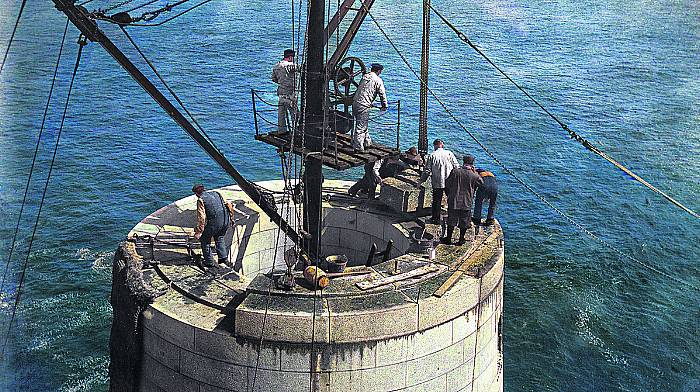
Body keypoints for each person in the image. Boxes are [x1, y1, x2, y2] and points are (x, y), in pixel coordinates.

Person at [442, 155, 483, 245]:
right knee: (464, 221)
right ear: (472, 164)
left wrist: (449, 195)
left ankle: (448, 239)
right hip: (466, 202)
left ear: (463, 162)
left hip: (454, 200)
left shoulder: (456, 172)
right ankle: (461, 239)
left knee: (451, 220)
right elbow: (481, 183)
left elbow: (447, 183)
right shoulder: (474, 175)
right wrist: (475, 171)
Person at [192, 184, 236, 268]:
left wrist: (199, 231)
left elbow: (201, 217)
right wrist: (232, 218)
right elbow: (229, 205)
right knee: (219, 237)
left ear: (196, 193)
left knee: (204, 240)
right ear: (204, 189)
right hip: (225, 220)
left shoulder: (200, 200)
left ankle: (209, 262)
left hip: (215, 223)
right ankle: (223, 258)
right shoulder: (216, 193)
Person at [418, 139, 459, 224]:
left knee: (437, 201)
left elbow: (427, 170)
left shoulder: (432, 155)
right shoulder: (449, 153)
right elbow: (456, 167)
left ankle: (435, 219)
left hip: (437, 182)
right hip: (449, 181)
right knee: (451, 200)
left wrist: (421, 181)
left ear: (435, 146)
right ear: (442, 145)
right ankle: (453, 217)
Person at [352, 63, 388, 151]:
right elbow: (382, 94)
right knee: (361, 126)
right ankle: (358, 147)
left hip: (355, 103)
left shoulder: (365, 77)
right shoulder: (378, 80)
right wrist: (384, 105)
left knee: (362, 122)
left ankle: (367, 142)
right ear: (379, 71)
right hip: (363, 105)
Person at [271, 49, 301, 132]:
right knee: (295, 114)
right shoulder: (290, 65)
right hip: (290, 93)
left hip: (281, 93)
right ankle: (296, 130)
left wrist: (282, 83)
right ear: (290, 57)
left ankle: (282, 130)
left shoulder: (277, 66)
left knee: (281, 113)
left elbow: (273, 79)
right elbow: (302, 69)